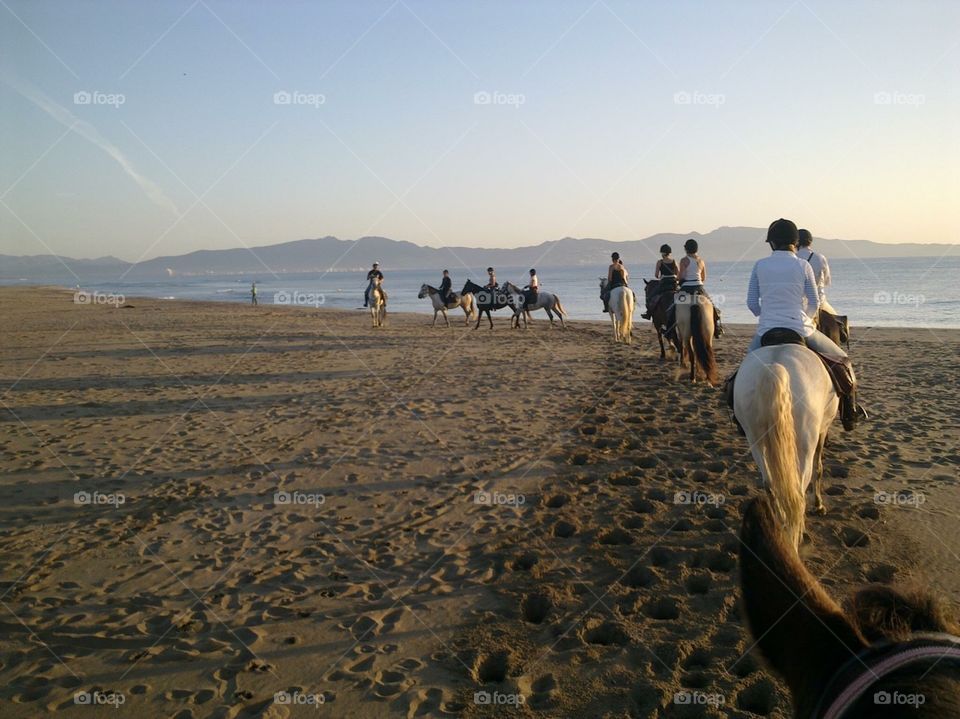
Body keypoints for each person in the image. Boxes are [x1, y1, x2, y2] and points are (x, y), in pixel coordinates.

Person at [731, 218, 866, 430]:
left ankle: (739, 417)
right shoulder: (803, 265)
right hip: (801, 329)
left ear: (772, 243)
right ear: (795, 242)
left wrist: (766, 315)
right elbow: (814, 302)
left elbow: (751, 303)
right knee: (843, 362)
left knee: (740, 374)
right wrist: (804, 318)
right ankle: (850, 414)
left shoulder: (760, 265)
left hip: (767, 329)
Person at [676, 238, 723, 337]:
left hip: (686, 288)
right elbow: (703, 278)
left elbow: (682, 276)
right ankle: (717, 327)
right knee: (713, 306)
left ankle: (669, 326)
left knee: (672, 307)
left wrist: (678, 279)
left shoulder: (684, 260)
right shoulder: (701, 261)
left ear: (686, 249)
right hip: (699, 287)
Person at [797, 229, 837, 316]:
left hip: (799, 305)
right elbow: (826, 281)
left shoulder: (793, 258)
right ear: (810, 242)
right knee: (841, 324)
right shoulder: (820, 258)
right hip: (820, 303)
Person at [641, 244, 679, 319]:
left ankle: (648, 313)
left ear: (663, 253)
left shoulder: (660, 262)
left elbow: (656, 275)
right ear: (669, 253)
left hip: (664, 283)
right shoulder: (674, 261)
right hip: (673, 284)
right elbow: (678, 273)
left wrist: (661, 277)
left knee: (651, 296)